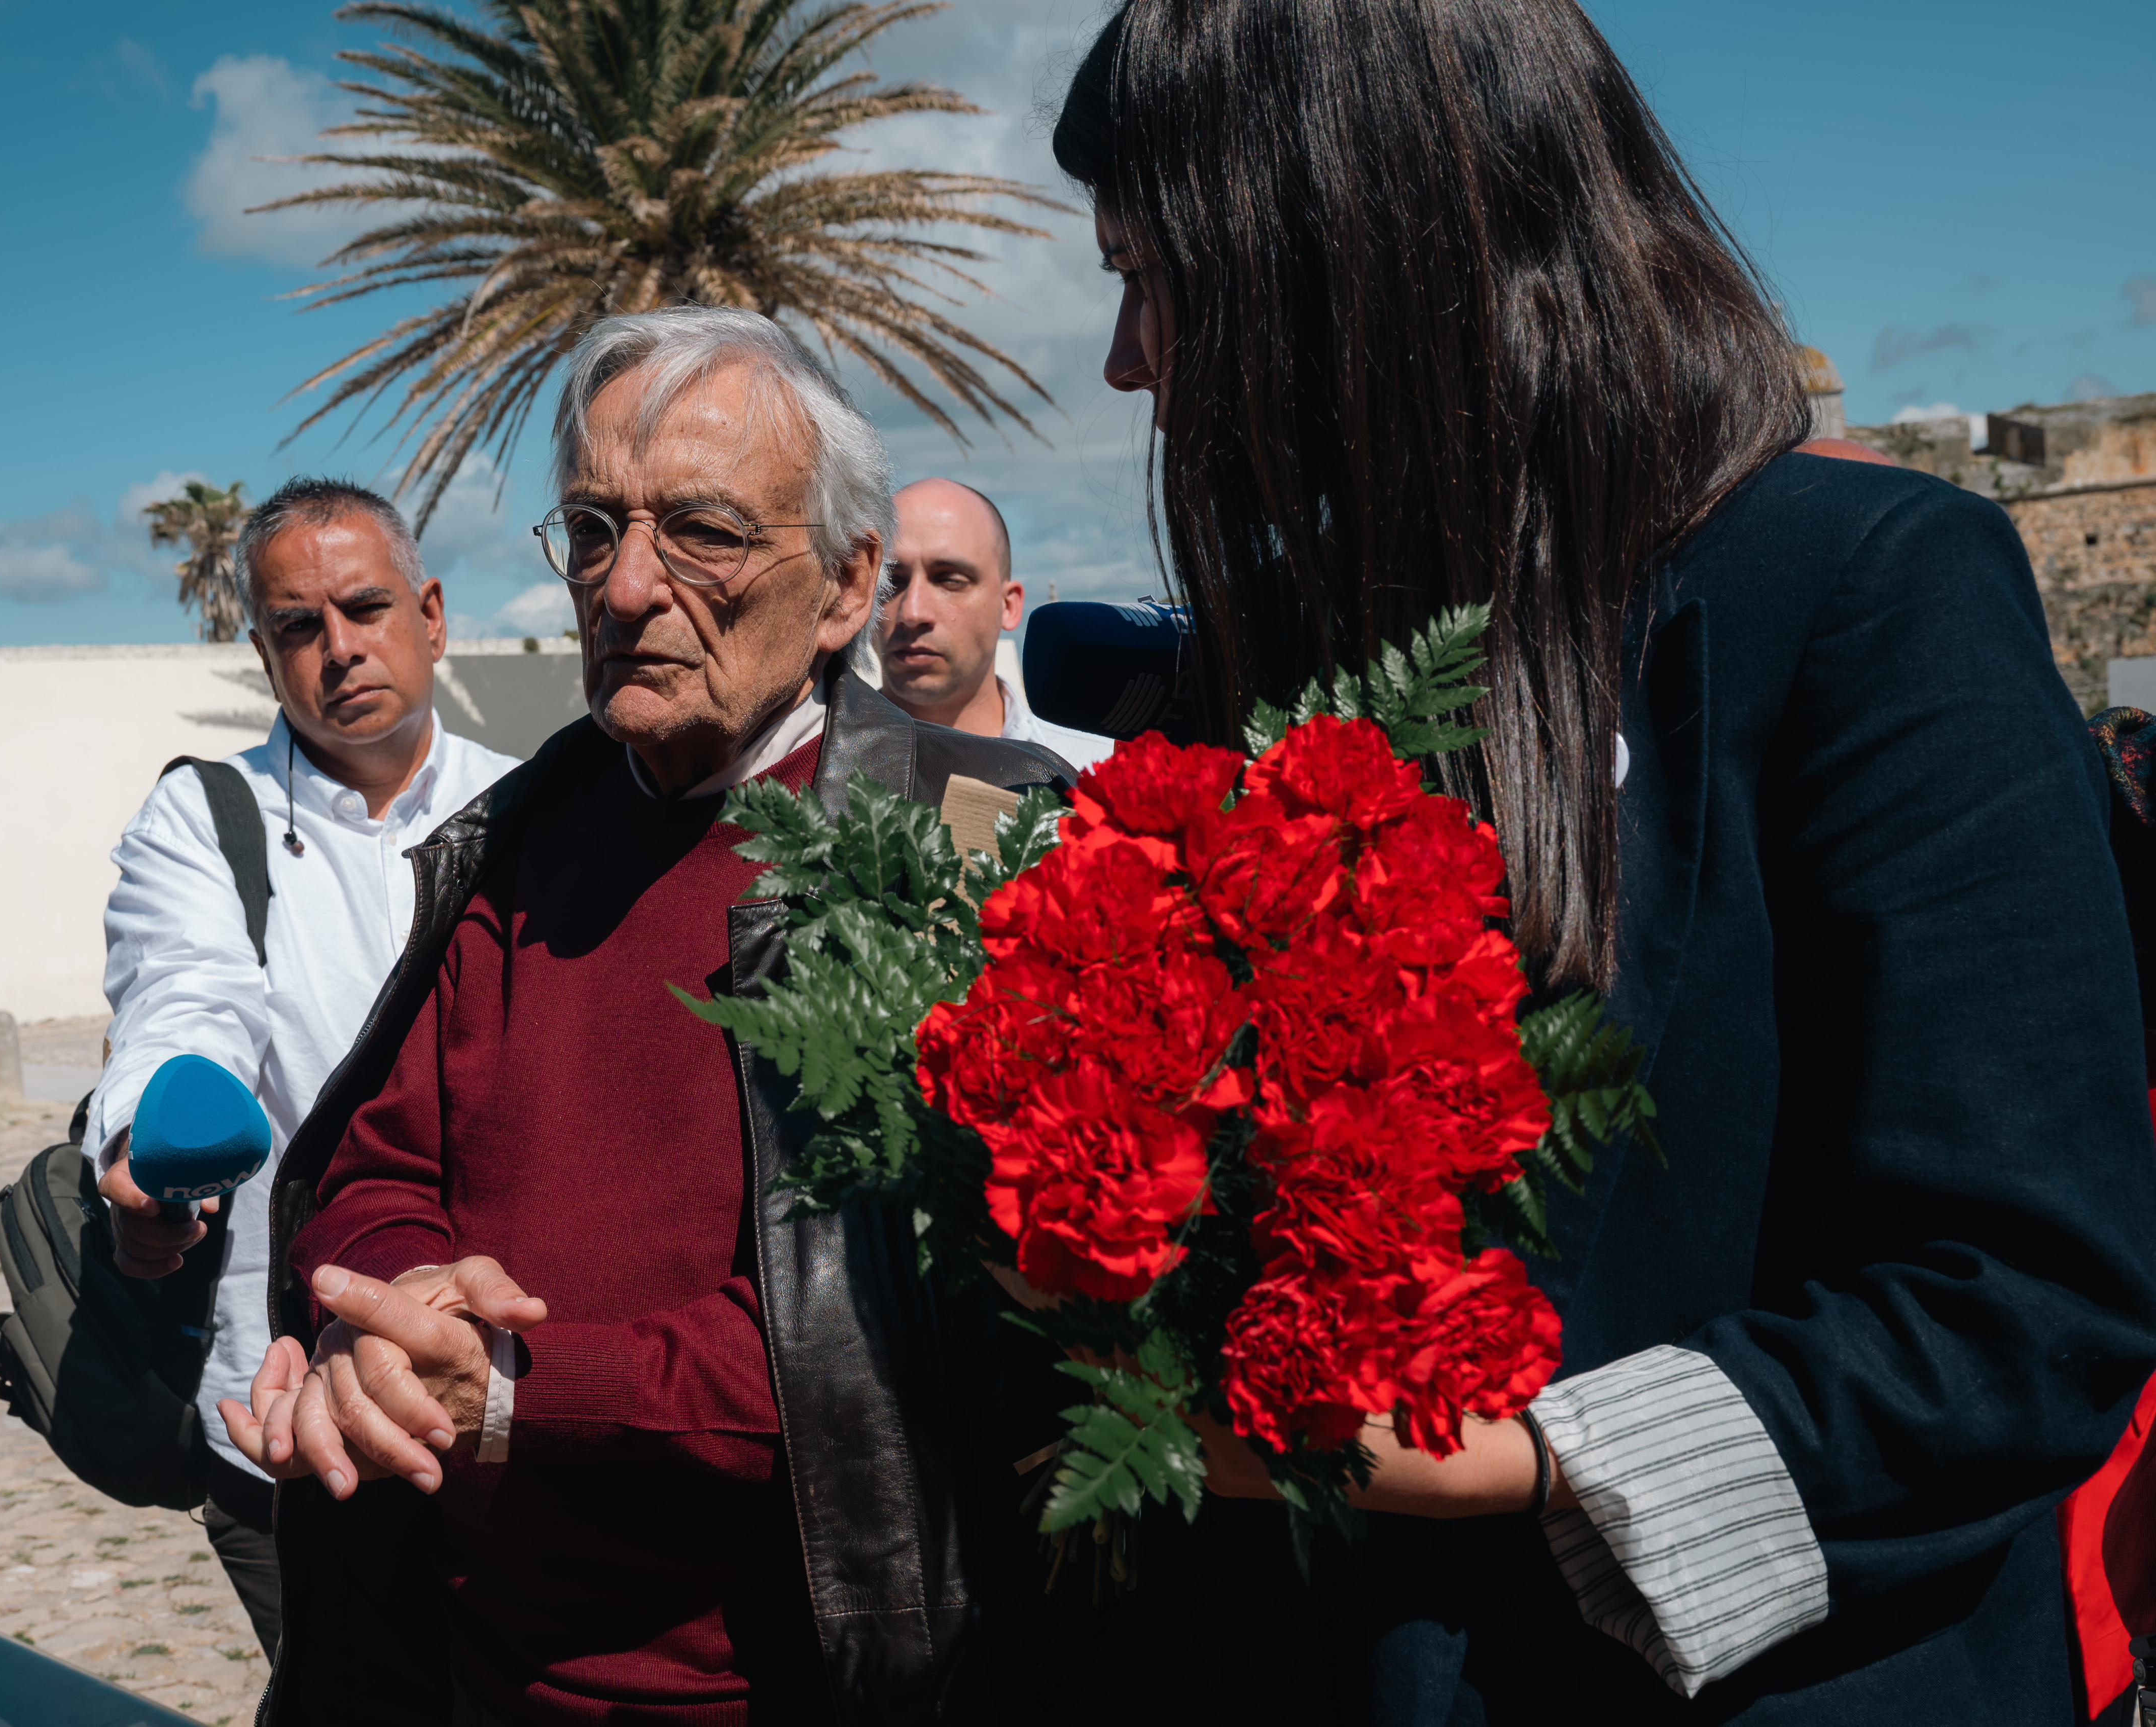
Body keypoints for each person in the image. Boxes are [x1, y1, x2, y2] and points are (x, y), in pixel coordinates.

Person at [1052, 3, 2156, 1721]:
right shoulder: (1272, 680)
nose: (1129, 360)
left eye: (1152, 274)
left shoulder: (1863, 593)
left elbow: (2027, 1303)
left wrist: (1523, 1456)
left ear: (1344, 245)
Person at [216, 307, 1071, 1724]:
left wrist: (522, 1387)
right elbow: (378, 1159)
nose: (623, 587)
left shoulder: (977, 843)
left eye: (704, 533)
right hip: (475, 1670)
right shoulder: (515, 840)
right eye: (593, 529)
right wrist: (402, 1300)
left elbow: (918, 1333)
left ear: (847, 585)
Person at [86, 476, 517, 1661]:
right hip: (285, 1415)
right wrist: (153, 1138)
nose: (339, 647)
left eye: (365, 607)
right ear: (265, 650)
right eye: (297, 625)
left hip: (503, 1393)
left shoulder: (535, 808)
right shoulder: (200, 819)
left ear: (431, 614)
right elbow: (185, 998)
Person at [877, 477, 1116, 769]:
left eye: (950, 581)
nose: (913, 613)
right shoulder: (823, 768)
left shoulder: (1097, 770)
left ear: (1009, 606)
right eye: (892, 582)